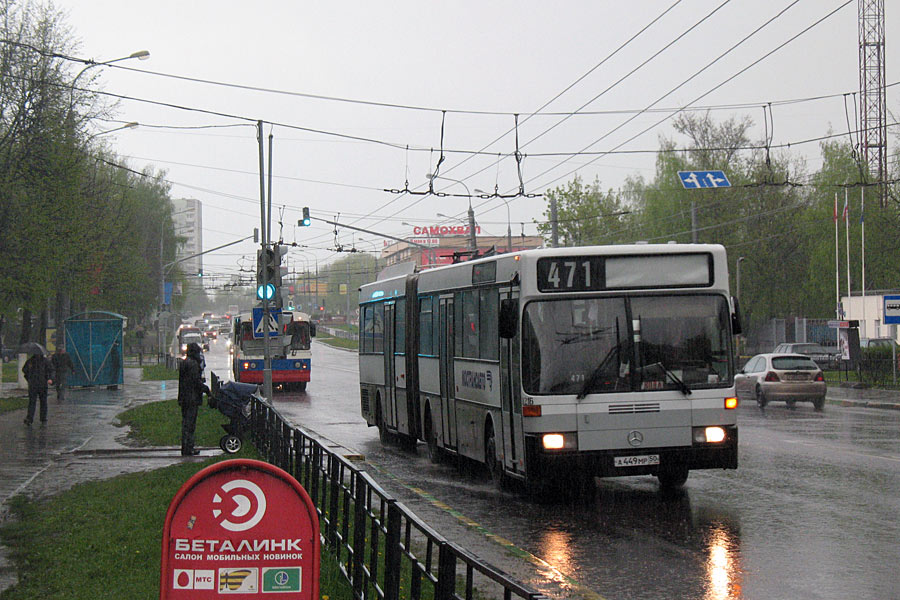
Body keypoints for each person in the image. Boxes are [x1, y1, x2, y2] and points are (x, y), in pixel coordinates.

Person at [177, 342, 208, 456]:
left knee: (185, 423)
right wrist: (206, 390)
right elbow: (196, 382)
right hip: (192, 398)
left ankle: (186, 447)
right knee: (190, 424)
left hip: (184, 398)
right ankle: (188, 448)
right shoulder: (193, 364)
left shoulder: (184, 363)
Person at [22, 350, 54, 425]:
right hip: (36, 385)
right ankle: (32, 418)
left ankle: (41, 418)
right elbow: (25, 371)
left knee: (40, 402)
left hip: (40, 385)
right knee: (35, 402)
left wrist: (50, 378)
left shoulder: (43, 361)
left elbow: (51, 370)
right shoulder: (31, 361)